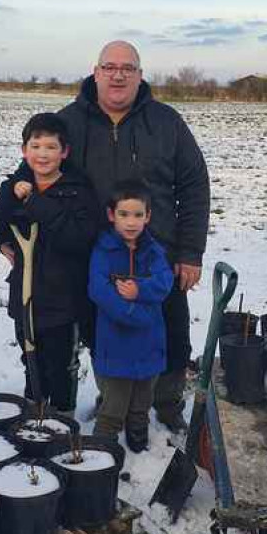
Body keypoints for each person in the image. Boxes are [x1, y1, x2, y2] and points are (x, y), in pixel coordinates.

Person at [58, 40, 210, 433]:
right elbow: (38, 175)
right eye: (110, 67)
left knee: (171, 331)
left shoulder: (166, 122)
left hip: (160, 256)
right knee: (102, 333)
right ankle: (114, 402)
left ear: (140, 76)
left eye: (128, 67)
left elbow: (194, 186)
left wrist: (190, 252)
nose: (118, 74)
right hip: (96, 256)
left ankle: (166, 404)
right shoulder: (69, 123)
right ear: (96, 72)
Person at [0, 112, 101, 412]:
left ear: (64, 152)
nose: (42, 154)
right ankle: (34, 409)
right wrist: (10, 199)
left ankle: (62, 416)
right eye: (35, 146)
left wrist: (35, 203)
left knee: (60, 362)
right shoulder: (14, 186)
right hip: (25, 294)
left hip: (63, 297)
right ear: (24, 150)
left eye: (50, 147)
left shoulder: (77, 191)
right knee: (29, 353)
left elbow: (78, 238)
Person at [88, 179, 174, 452]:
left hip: (148, 342)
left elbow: (164, 281)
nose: (131, 222)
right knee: (114, 403)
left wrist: (140, 290)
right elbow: (98, 289)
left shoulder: (153, 251)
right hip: (116, 342)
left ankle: (138, 437)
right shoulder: (104, 251)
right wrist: (131, 312)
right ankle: (102, 449)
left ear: (148, 216)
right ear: (112, 215)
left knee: (141, 401)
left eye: (138, 215)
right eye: (124, 214)